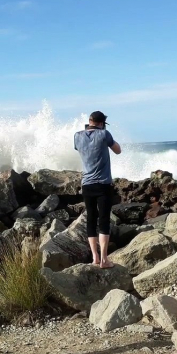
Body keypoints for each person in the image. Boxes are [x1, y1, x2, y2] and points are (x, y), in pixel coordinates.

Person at [74, 111, 122, 268]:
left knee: (91, 219)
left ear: (90, 121)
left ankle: (94, 257)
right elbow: (118, 150)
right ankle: (104, 260)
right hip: (103, 184)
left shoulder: (77, 136)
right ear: (101, 123)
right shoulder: (104, 134)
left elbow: (82, 148)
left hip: (86, 185)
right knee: (104, 220)